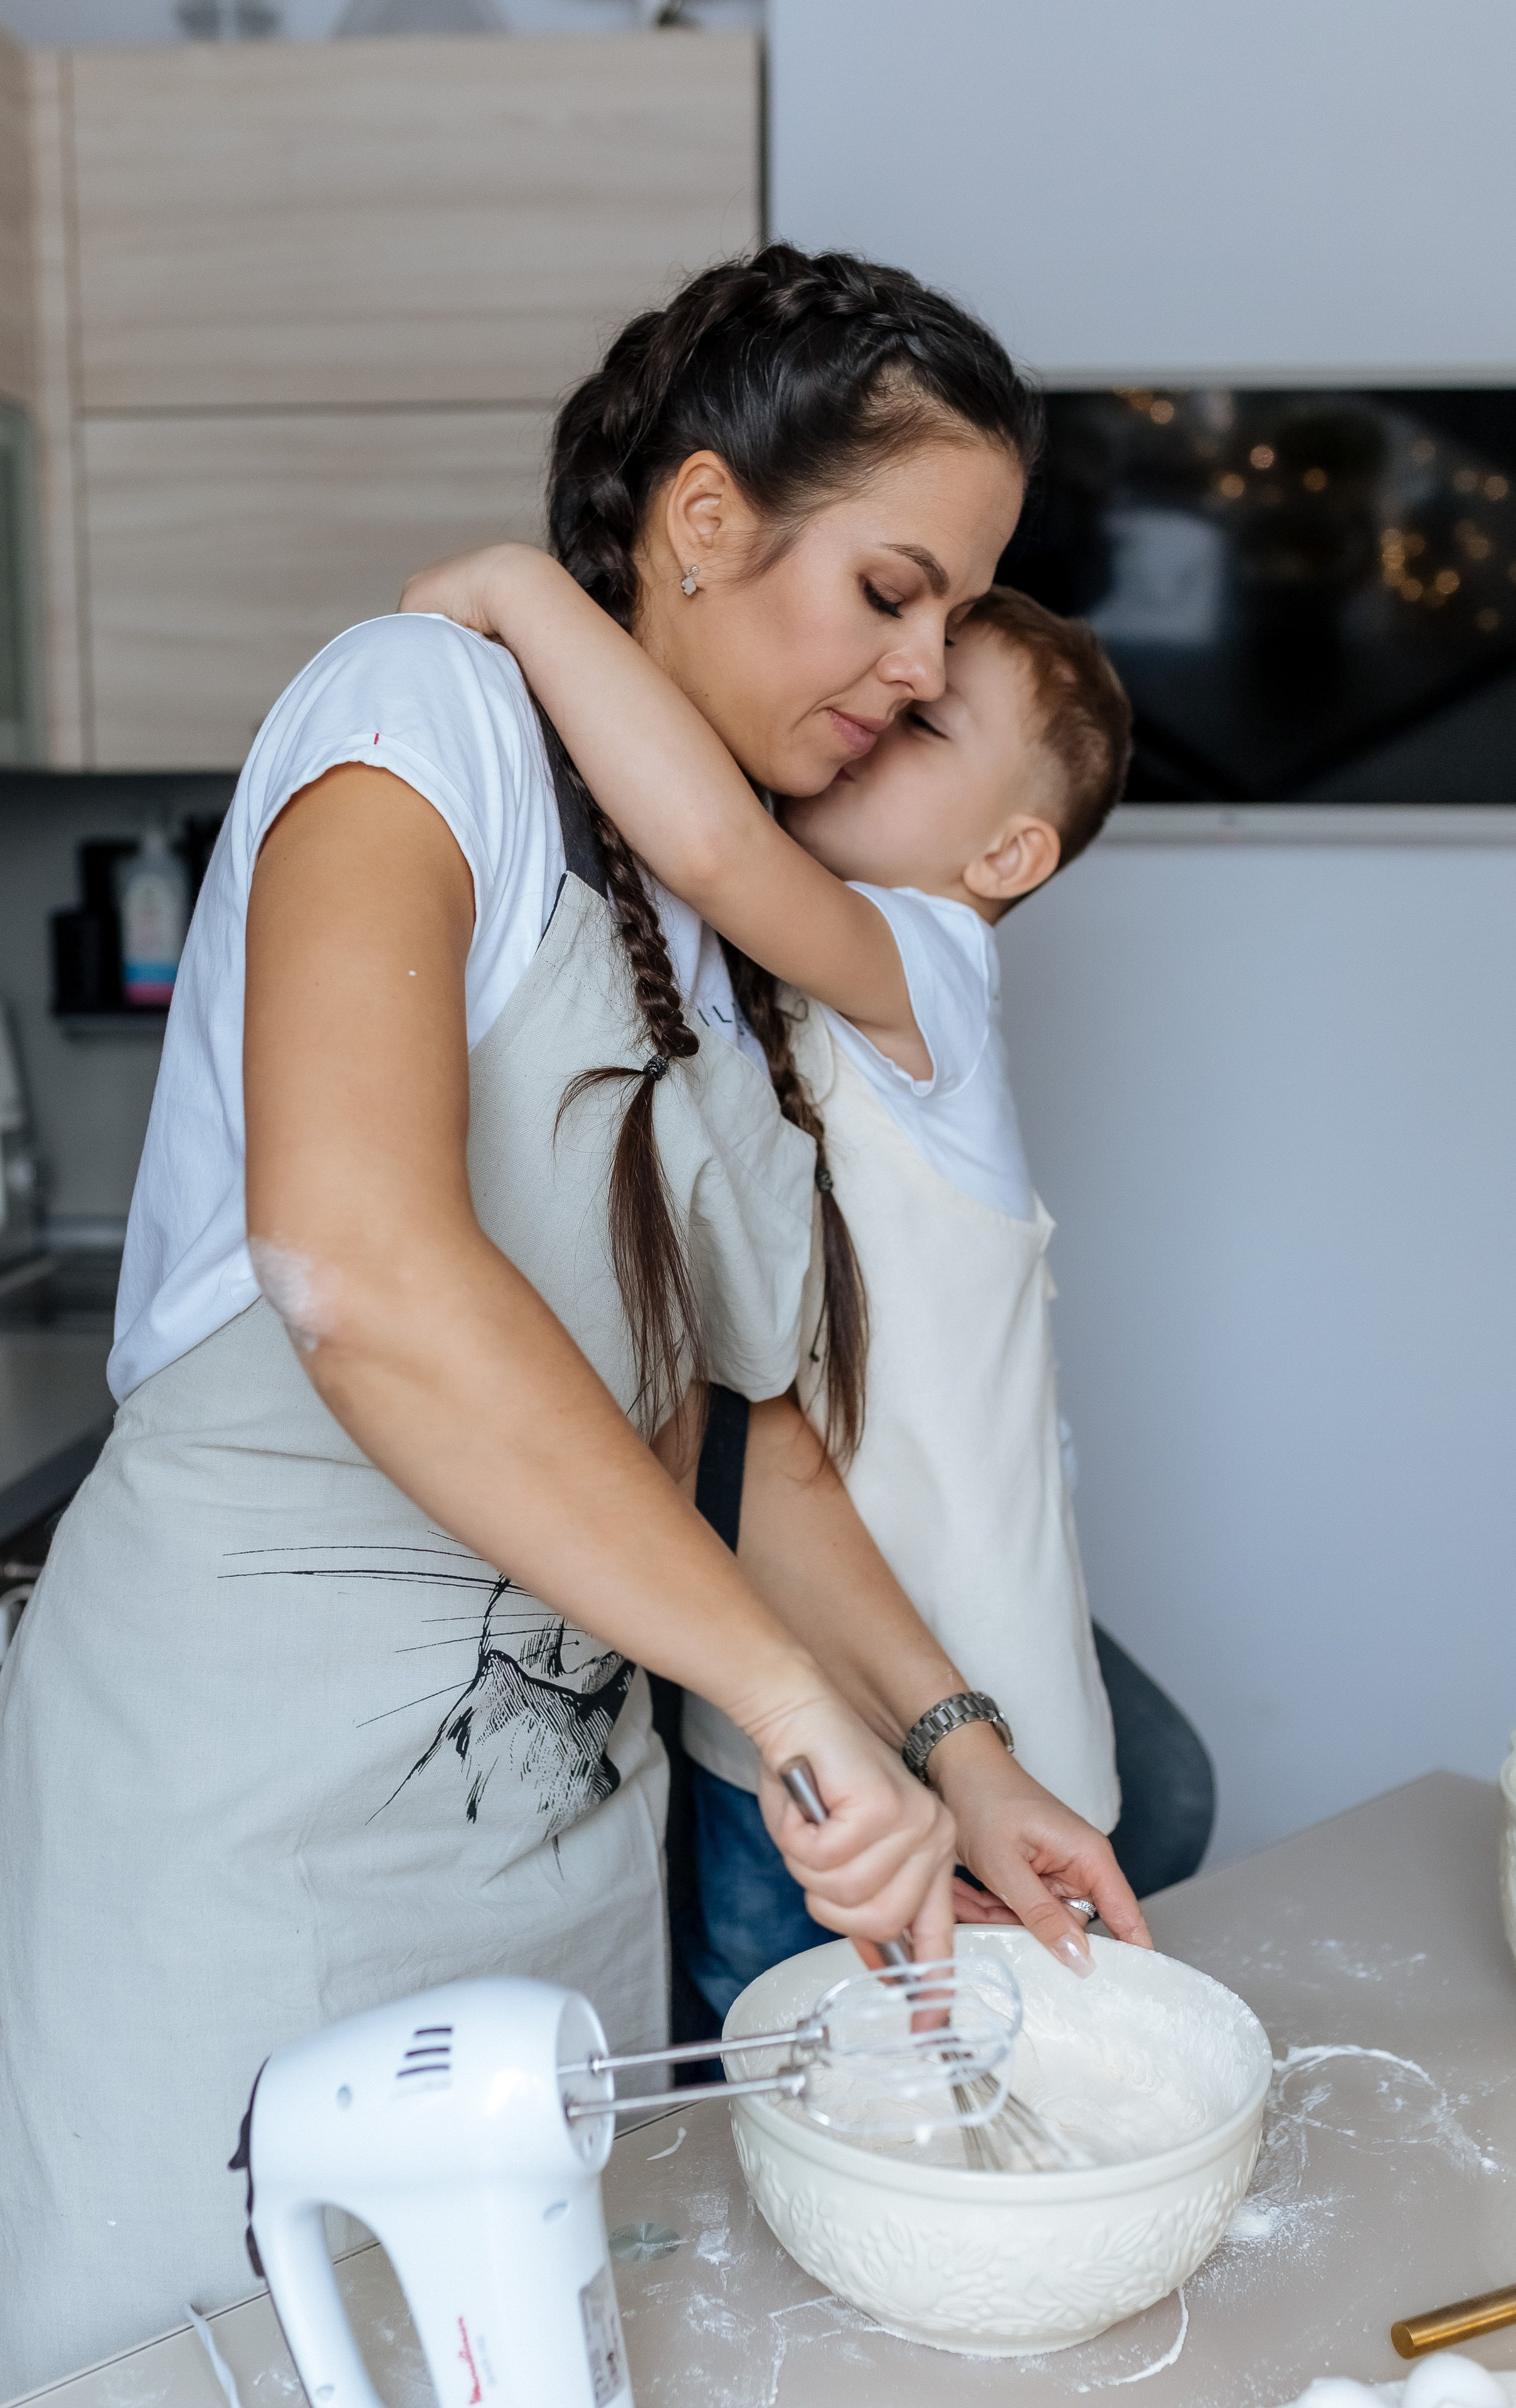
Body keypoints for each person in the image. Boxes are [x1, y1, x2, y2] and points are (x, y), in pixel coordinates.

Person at [0, 245, 1150, 2399]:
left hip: (550, 1842)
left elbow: (750, 1430)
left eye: (955, 616)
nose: (923, 670)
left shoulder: (729, 935)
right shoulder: (417, 716)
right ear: (706, 524)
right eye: (896, 591)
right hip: (254, 1800)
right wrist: (781, 1693)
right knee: (213, 2358)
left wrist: (954, 1748)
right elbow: (362, 1261)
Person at [402, 545, 1213, 2036]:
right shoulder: (738, 979)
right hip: (777, 1708)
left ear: (1006, 858)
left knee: (983, 2080)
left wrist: (523, 596)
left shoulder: (932, 970)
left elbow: (711, 845)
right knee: (772, 2054)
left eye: (926, 724)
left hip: (973, 1698)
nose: (871, 709)